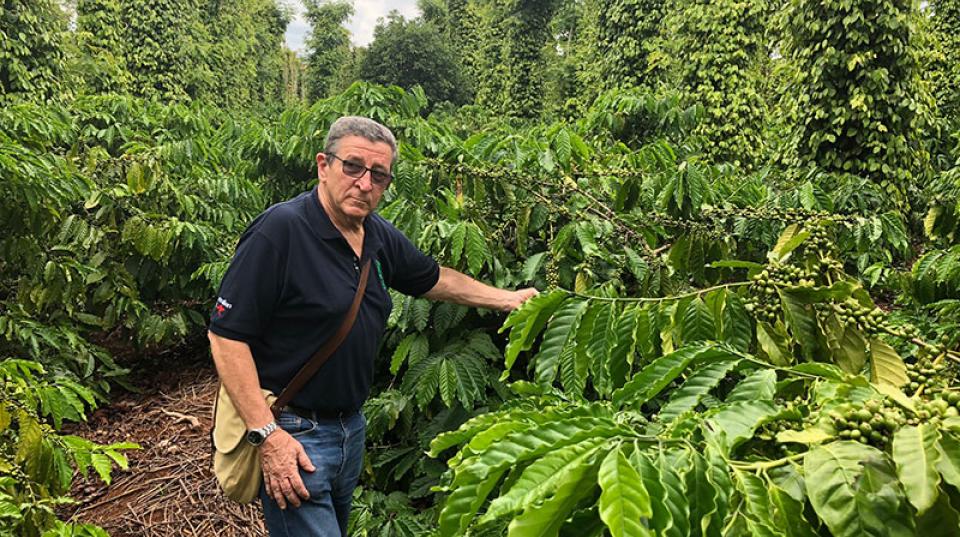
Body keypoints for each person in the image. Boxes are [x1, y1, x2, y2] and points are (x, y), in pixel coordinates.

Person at [207, 116, 537, 536]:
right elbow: (226, 336)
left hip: (350, 430)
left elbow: (434, 279)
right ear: (323, 165)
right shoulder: (280, 231)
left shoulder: (377, 234)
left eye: (378, 175)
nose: (365, 183)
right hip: (293, 432)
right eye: (353, 167)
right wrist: (267, 434)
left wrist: (508, 299)